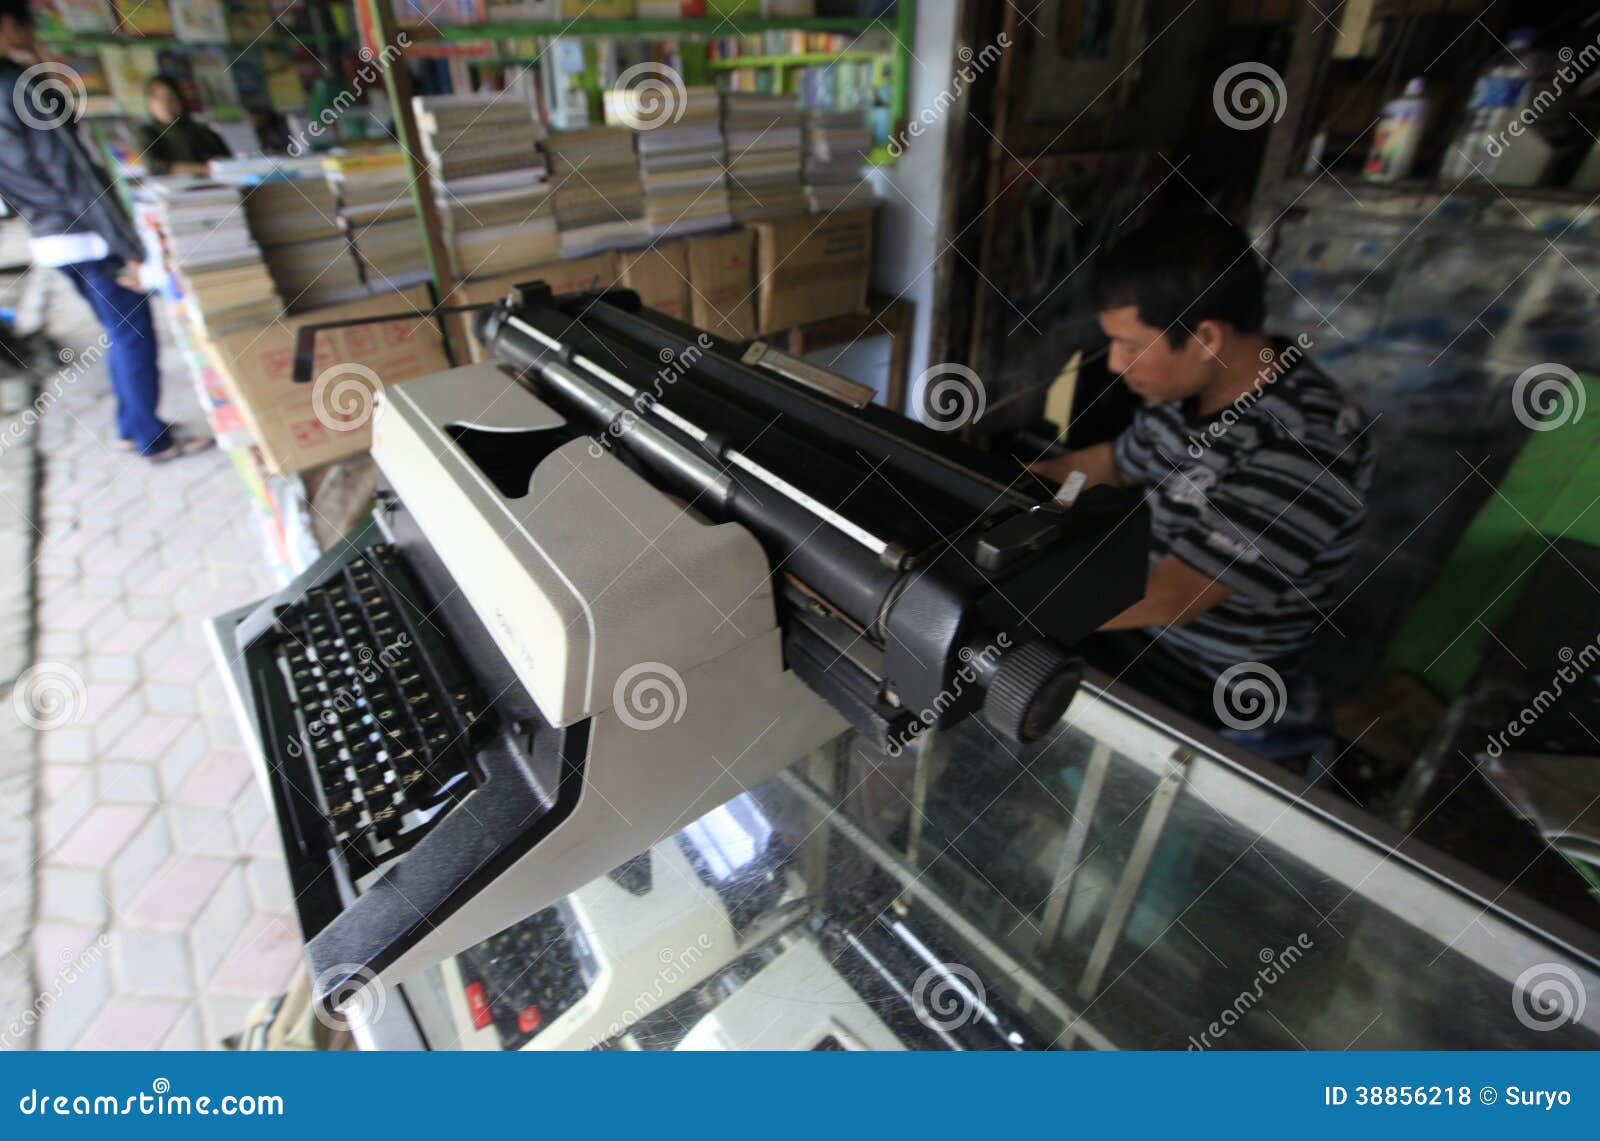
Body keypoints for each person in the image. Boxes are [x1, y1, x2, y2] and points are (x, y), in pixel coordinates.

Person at [1031, 215, 1375, 744]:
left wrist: (1013, 598)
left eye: (1129, 345)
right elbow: (1116, 462)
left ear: (1207, 337)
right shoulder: (1187, 393)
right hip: (1137, 633)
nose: (1118, 365)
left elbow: (1174, 597)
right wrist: (1013, 485)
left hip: (1210, 683)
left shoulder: (1307, 446)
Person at [0, 0, 210, 461]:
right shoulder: (22, 88)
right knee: (135, 334)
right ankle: (152, 439)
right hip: (88, 234)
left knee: (120, 333)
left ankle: (130, 425)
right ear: (9, 25)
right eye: (26, 25)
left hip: (51, 236)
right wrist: (129, 247)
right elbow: (77, 175)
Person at [136, 74, 231, 177]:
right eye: (158, 98)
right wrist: (204, 168)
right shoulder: (146, 132)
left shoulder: (201, 131)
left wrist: (218, 163)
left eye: (171, 97)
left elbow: (228, 161)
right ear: (149, 103)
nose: (165, 104)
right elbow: (154, 167)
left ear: (181, 100)